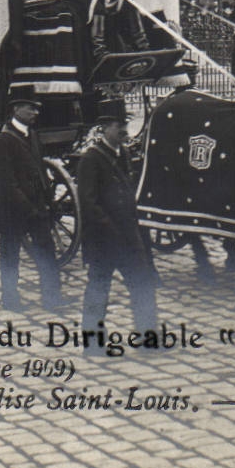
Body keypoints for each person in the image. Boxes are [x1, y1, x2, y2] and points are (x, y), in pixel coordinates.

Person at [77, 97, 158, 345]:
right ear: (104, 129)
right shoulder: (91, 159)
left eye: (124, 123)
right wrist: (111, 229)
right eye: (116, 125)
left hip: (129, 237)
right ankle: (92, 344)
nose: (123, 129)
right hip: (105, 240)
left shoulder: (122, 153)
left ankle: (148, 340)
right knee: (98, 291)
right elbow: (88, 203)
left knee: (143, 285)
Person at [0, 87, 68, 312]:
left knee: (46, 249)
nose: (35, 112)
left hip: (35, 204)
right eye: (30, 108)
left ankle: (52, 298)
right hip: (13, 206)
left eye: (36, 108)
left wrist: (47, 199)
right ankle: (10, 299)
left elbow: (39, 168)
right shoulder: (4, 140)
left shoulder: (31, 134)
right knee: (10, 254)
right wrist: (28, 207)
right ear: (16, 109)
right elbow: (7, 182)